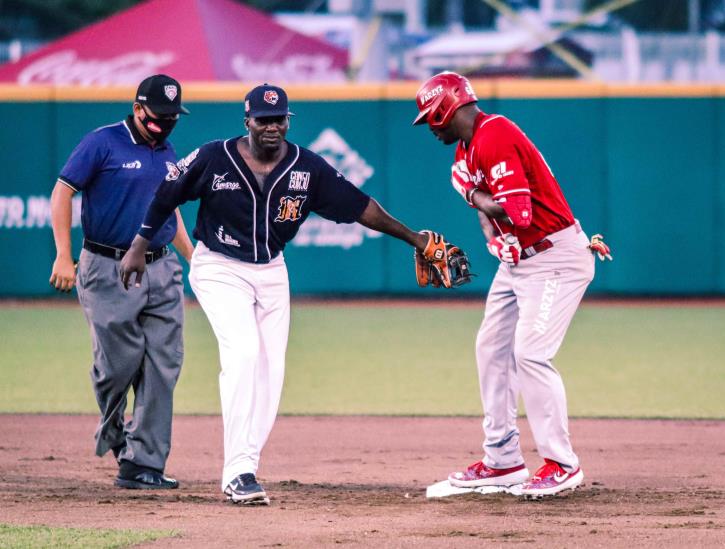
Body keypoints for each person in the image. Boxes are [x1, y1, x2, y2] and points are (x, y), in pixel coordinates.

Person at [119, 83, 462, 505]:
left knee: (271, 372)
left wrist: (414, 238)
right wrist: (139, 243)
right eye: (263, 120)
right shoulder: (214, 157)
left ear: (287, 120)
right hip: (219, 267)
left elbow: (360, 206)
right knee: (243, 354)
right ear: (247, 121)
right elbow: (167, 192)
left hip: (272, 272)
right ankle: (238, 471)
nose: (272, 127)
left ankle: (246, 464)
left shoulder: (307, 168)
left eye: (279, 119)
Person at [412, 72, 612, 498]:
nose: (430, 125)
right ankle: (503, 461)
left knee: (531, 354)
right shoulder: (463, 152)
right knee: (492, 349)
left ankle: (562, 464)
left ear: (448, 107)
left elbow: (516, 214)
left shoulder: (494, 134)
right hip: (519, 261)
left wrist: (475, 199)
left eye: (432, 115)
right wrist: (489, 232)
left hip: (554, 258)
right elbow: (490, 215)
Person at [49, 74, 195, 490]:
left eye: (172, 117)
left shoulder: (168, 154)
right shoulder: (102, 142)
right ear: (137, 109)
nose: (165, 123)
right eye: (159, 115)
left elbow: (171, 211)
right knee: (118, 365)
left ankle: (143, 463)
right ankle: (115, 432)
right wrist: (64, 254)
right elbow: (63, 192)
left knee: (164, 364)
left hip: (162, 268)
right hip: (107, 265)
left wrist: (195, 260)